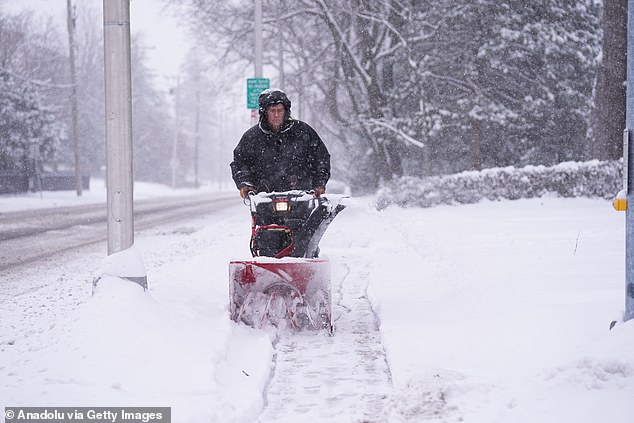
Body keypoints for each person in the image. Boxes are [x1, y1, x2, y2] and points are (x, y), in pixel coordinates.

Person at [230, 89, 331, 199]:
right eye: (272, 111)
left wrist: (319, 183)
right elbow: (240, 163)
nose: (276, 115)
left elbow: (321, 158)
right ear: (264, 112)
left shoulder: (303, 132)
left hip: (302, 196)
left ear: (286, 111)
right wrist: (245, 184)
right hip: (264, 198)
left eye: (280, 110)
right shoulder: (251, 137)